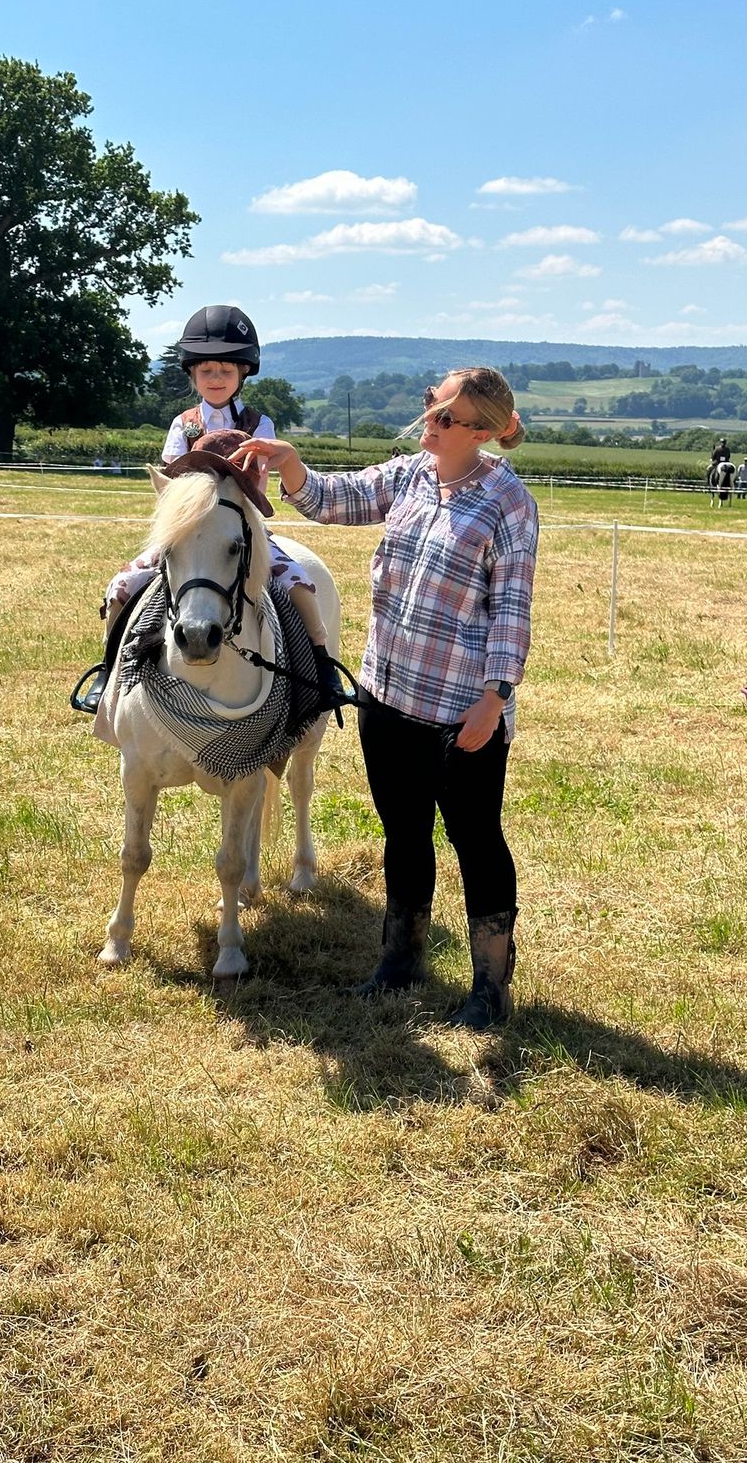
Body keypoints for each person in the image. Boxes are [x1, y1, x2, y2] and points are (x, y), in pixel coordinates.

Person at [231, 367, 538, 1030]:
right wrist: (290, 466)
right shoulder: (410, 476)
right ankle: (400, 962)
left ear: (482, 431)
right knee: (404, 833)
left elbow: (512, 611)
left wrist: (495, 697)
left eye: (446, 418)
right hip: (386, 694)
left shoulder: (508, 503)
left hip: (462, 712)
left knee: (475, 840)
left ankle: (490, 988)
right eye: (431, 407)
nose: (429, 423)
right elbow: (336, 499)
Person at [74, 306, 353, 713]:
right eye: (207, 372)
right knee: (122, 587)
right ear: (192, 375)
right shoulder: (181, 424)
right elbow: (171, 486)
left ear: (242, 373)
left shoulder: (261, 424)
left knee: (298, 583)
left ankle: (323, 664)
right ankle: (107, 670)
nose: (216, 379)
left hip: (242, 527)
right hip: (188, 531)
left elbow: (257, 483)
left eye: (225, 371)